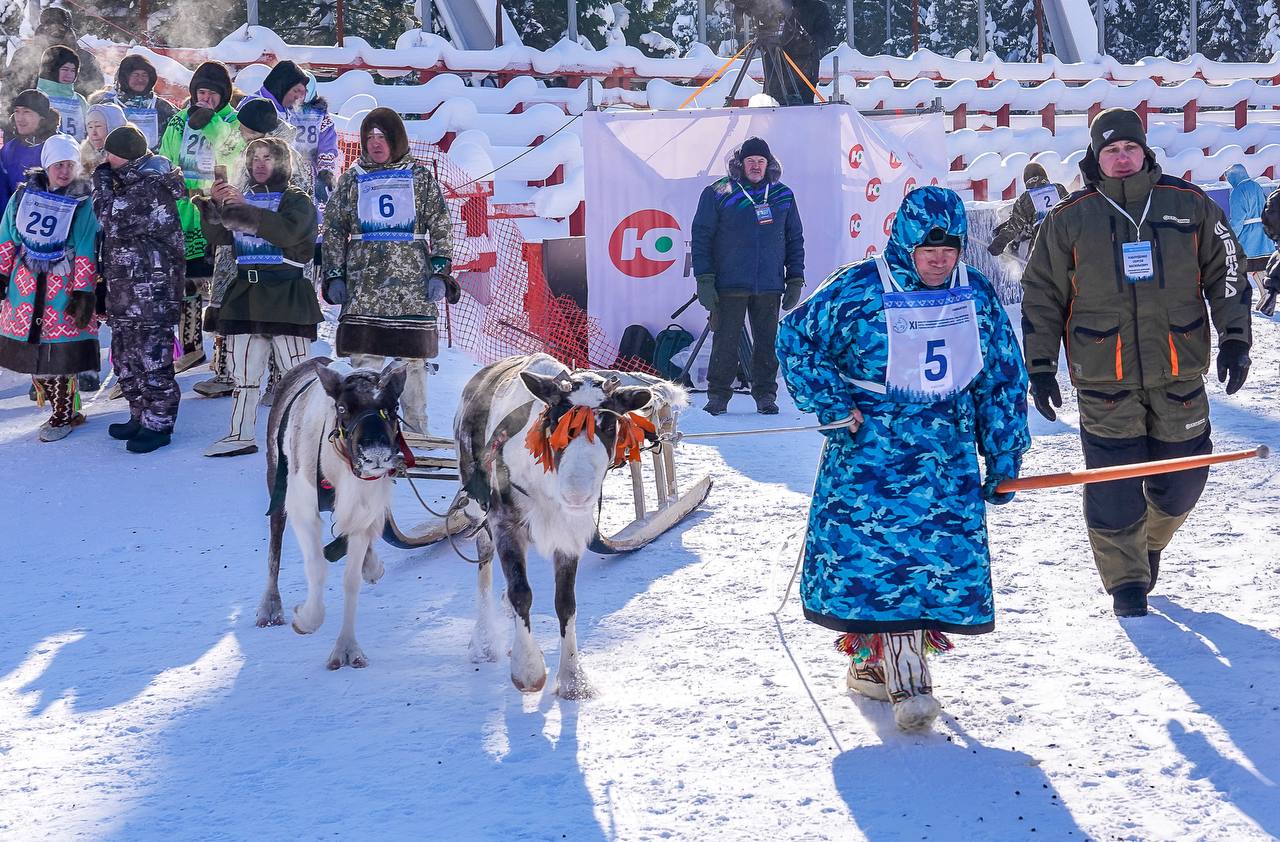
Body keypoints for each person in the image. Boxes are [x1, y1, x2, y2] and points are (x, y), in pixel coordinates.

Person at [776, 186, 1030, 732]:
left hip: (946, 460)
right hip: (869, 457)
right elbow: (796, 338)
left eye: (951, 248)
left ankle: (888, 667)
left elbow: (1002, 379)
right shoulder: (860, 288)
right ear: (905, 241)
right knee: (877, 563)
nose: (940, 259)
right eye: (928, 248)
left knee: (930, 567)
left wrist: (1004, 452)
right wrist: (832, 402)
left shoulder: (976, 295)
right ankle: (896, 676)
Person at [1021, 108, 1253, 618]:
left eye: (1128, 148)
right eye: (1110, 151)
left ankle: (1147, 540)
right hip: (1105, 374)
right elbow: (1041, 296)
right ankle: (1126, 578)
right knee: (1113, 480)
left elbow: (1228, 271)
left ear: (1144, 151)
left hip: (1178, 365)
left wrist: (1236, 337)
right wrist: (1039, 368)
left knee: (1185, 475)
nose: (1120, 158)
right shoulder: (1070, 218)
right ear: (1095, 157)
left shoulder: (1187, 205)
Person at [321, 107, 455, 437]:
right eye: (369, 138)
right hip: (364, 287)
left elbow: (441, 225)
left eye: (382, 137)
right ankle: (365, 432)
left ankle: (415, 434)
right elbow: (335, 228)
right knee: (365, 361)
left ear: (396, 140)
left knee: (411, 364)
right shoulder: (352, 178)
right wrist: (334, 274)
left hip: (410, 289)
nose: (375, 144)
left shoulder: (419, 177)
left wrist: (439, 272)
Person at [195, 136, 319, 456]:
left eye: (267, 158)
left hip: (286, 294)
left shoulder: (297, 200)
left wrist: (243, 209)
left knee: (297, 375)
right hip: (246, 293)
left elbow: (286, 233)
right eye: (254, 158)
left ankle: (308, 437)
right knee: (245, 374)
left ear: (281, 163)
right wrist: (213, 207)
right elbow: (221, 236)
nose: (260, 164)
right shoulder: (243, 197)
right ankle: (240, 434)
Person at [691, 136, 804, 416]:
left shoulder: (782, 195)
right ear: (740, 164)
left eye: (760, 161)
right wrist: (705, 279)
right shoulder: (718, 192)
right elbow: (701, 237)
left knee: (767, 342)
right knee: (725, 341)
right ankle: (718, 396)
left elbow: (795, 239)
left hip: (769, 284)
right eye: (750, 161)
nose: (755, 166)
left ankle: (765, 394)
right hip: (729, 283)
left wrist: (795, 278)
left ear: (769, 165)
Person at [92, 126, 187, 453]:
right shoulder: (130, 182)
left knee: (152, 359)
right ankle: (139, 413)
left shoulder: (148, 187)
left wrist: (101, 180)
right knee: (126, 357)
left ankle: (159, 424)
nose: (104, 159)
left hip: (151, 292)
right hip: (126, 291)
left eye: (109, 153)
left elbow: (109, 216)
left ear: (125, 155)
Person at [0, 134, 99, 441]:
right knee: (34, 351)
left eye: (70, 164)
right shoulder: (22, 197)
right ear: (46, 166)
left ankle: (63, 414)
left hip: (63, 284)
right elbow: (7, 237)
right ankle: (67, 407)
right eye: (58, 165)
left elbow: (85, 246)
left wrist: (83, 292)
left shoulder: (82, 202)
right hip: (26, 285)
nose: (64, 171)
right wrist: (1, 275)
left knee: (61, 351)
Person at [193, 97, 290, 400]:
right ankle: (226, 373)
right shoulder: (241, 152)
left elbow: (294, 208)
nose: (243, 135)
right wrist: (217, 200)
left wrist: (247, 203)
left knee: (274, 315)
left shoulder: (289, 161)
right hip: (235, 245)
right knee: (228, 306)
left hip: (271, 251)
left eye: (249, 131)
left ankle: (279, 380)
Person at [157, 60, 238, 373]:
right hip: (184, 210)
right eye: (201, 92)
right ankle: (191, 348)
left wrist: (211, 123)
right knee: (186, 282)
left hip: (218, 212)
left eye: (212, 94)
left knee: (220, 285)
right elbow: (166, 156)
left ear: (222, 96)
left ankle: (224, 354)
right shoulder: (179, 121)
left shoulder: (231, 119)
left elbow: (235, 152)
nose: (205, 98)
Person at [1, 6, 104, 109]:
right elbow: (10, 90)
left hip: (74, 112)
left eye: (60, 27)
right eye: (49, 26)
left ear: (68, 30)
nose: (54, 31)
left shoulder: (84, 57)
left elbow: (96, 92)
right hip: (32, 114)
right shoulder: (25, 55)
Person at [95, 54, 178, 151]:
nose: (140, 79)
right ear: (125, 78)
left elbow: (180, 130)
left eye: (144, 75)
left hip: (153, 163)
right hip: (115, 162)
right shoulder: (107, 107)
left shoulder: (162, 107)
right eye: (135, 75)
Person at [986, 162, 1066, 257]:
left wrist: (999, 243)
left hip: (1042, 243)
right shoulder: (1058, 188)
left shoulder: (1026, 198)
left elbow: (1014, 226)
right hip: (1065, 237)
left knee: (1033, 268)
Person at [1, 90, 63, 212]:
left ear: (42, 117)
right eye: (17, 111)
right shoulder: (10, 149)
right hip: (12, 222)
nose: (20, 118)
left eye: (27, 112)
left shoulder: (59, 146)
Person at [35, 46, 88, 142]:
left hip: (76, 153)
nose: (69, 74)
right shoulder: (36, 96)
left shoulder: (79, 100)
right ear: (52, 69)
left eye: (73, 70)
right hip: (45, 152)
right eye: (64, 69)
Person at [80, 101, 128, 174]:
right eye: (90, 127)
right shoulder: (82, 158)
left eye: (98, 126)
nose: (94, 133)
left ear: (114, 128)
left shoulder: (130, 157)